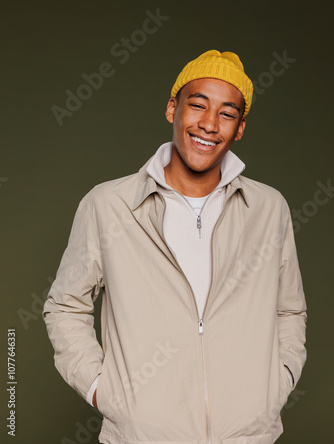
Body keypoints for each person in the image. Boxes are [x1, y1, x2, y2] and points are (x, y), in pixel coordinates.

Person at [43, 50, 307, 444]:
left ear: (240, 128)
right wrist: (103, 389)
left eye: (227, 113)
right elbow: (65, 305)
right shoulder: (109, 204)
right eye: (197, 105)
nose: (209, 124)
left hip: (248, 436)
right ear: (172, 109)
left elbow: (289, 308)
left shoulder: (269, 208)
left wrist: (277, 382)